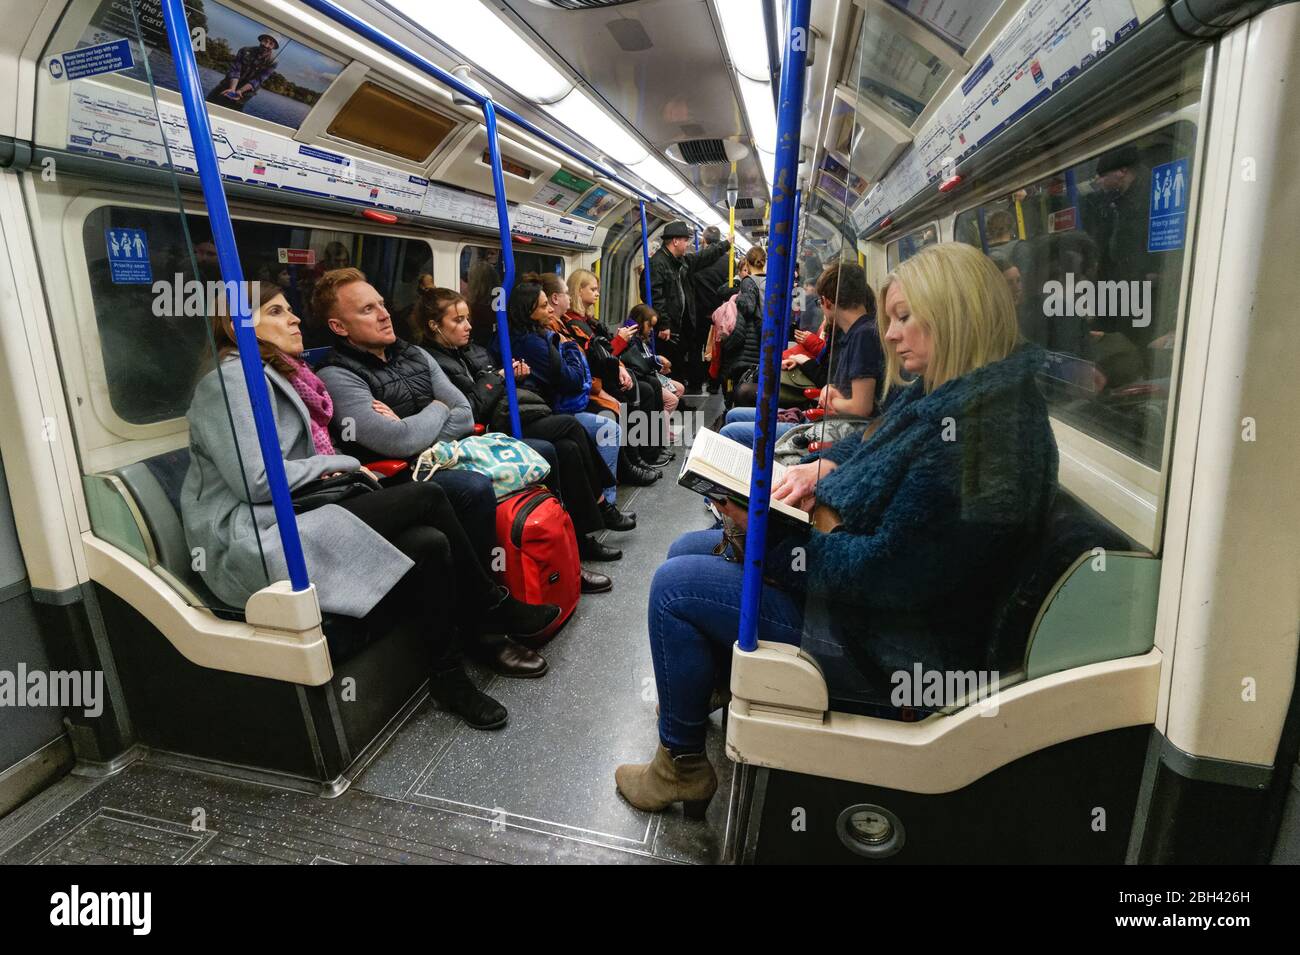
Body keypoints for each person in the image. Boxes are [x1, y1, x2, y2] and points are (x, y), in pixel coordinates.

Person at [615, 242, 1059, 814]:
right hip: (871, 596)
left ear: (953, 315)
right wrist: (822, 469)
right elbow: (879, 452)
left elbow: (886, 576)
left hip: (890, 645)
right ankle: (695, 701)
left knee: (674, 589)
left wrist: (769, 538)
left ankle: (679, 767)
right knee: (684, 546)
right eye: (889, 318)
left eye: (903, 318)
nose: (891, 335)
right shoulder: (953, 396)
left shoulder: (982, 438)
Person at [182, 282, 560, 731]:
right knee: (431, 495)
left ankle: (449, 678)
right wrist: (342, 463)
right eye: (278, 311)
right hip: (254, 533)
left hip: (301, 509)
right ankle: (491, 606)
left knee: (430, 541)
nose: (296, 318)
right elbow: (257, 481)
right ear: (236, 325)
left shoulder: (277, 375)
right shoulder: (229, 384)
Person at [309, 268, 554, 678]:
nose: (385, 315)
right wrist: (434, 410)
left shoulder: (413, 353)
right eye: (368, 310)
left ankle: (550, 566)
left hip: (442, 453)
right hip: (398, 475)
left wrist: (423, 417)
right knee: (470, 490)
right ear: (339, 326)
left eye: (382, 304)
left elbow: (462, 411)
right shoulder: (337, 375)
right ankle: (488, 631)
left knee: (541, 451)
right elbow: (395, 442)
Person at [411, 285, 622, 591]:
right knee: (562, 436)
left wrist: (501, 380)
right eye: (458, 320)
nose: (469, 326)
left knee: (564, 447)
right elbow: (470, 408)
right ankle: (597, 509)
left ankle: (575, 540)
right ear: (434, 326)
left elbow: (482, 392)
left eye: (468, 318)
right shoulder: (435, 363)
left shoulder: (475, 350)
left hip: (505, 418)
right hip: (486, 432)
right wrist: (498, 379)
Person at [501, 276, 637, 535]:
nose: (550, 310)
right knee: (597, 428)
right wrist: (572, 351)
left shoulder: (547, 333)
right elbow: (570, 379)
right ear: (529, 311)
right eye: (543, 307)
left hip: (549, 405)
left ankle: (598, 512)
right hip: (549, 409)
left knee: (571, 445)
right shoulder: (534, 341)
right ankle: (604, 503)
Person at [718, 261, 881, 449]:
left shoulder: (862, 335)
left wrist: (830, 396)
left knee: (728, 431)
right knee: (733, 415)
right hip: (826, 418)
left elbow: (861, 407)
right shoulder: (857, 332)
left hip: (830, 427)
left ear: (827, 302)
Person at [563, 269, 667, 477]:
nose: (597, 294)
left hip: (606, 373)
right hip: (595, 380)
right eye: (592, 289)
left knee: (649, 387)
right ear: (578, 290)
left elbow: (606, 355)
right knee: (639, 392)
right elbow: (597, 359)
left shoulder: (590, 322)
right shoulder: (574, 325)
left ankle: (648, 451)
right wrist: (620, 342)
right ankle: (634, 460)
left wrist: (620, 366)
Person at [648, 220, 730, 380]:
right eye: (685, 240)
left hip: (680, 325)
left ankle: (679, 400)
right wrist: (663, 323)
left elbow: (703, 257)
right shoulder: (658, 264)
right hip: (668, 328)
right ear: (675, 241)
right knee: (670, 365)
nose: (687, 244)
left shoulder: (681, 262)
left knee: (677, 364)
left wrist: (725, 244)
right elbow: (655, 296)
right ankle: (672, 401)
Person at [719, 246, 769, 404]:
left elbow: (748, 307)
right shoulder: (772, 281)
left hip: (749, 340)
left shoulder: (748, 282)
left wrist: (737, 298)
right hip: (765, 337)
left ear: (747, 263)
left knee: (741, 380)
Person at [685, 226, 731, 392]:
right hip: (721, 311)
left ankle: (696, 383)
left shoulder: (697, 260)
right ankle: (714, 384)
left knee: (696, 348)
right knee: (719, 349)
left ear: (703, 240)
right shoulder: (729, 261)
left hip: (698, 309)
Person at [207, 34, 280, 112]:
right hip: (228, 84)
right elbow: (235, 70)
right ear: (261, 40)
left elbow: (258, 80)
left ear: (273, 47)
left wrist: (240, 91)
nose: (266, 45)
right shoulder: (244, 50)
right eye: (265, 41)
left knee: (230, 113)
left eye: (271, 44)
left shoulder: (273, 62)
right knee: (209, 103)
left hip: (245, 93)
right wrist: (232, 89)